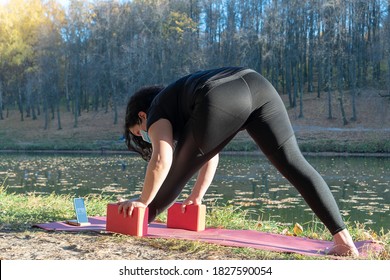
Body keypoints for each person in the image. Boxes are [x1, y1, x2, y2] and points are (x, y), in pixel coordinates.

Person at [118, 67, 359, 256]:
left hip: (221, 94)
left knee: (174, 177)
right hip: (259, 86)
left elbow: (162, 160)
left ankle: (136, 222)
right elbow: (211, 152)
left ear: (142, 116)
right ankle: (345, 242)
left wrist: (142, 202)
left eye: (140, 132)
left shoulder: (156, 109)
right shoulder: (180, 105)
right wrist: (196, 197)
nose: (146, 137)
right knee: (294, 163)